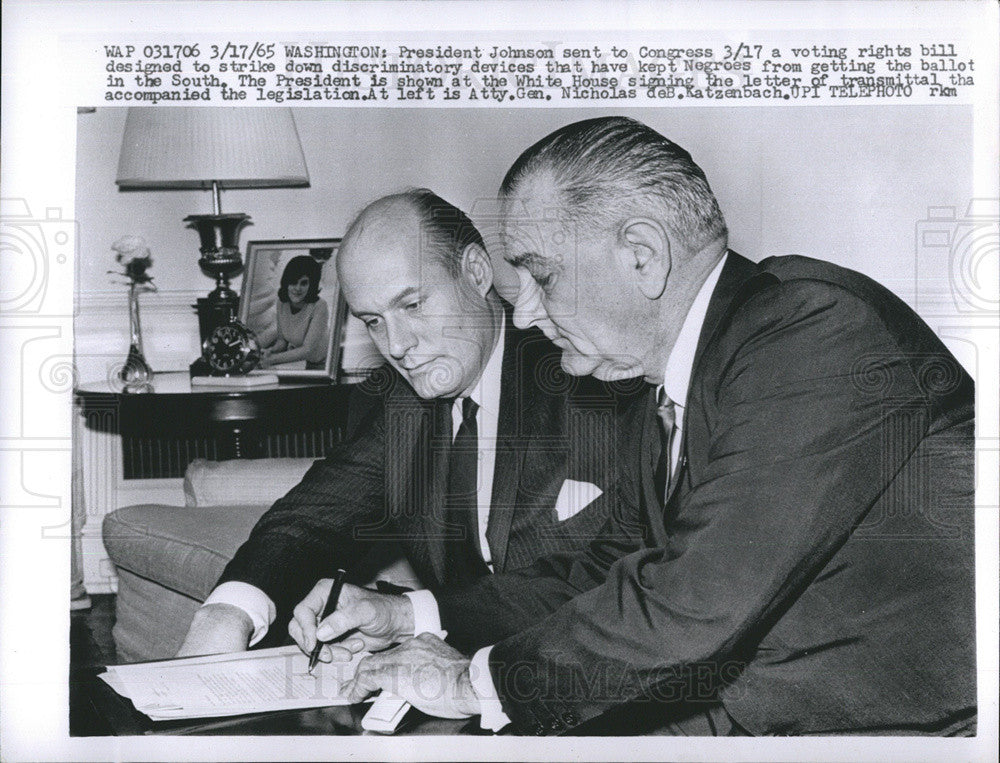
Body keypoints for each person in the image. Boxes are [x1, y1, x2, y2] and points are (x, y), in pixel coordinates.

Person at [292, 117, 977, 736]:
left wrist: (472, 680)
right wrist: (412, 617)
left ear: (643, 255)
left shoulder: (812, 333)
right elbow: (601, 571)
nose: (524, 313)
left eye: (543, 276)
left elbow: (692, 600)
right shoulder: (667, 391)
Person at [177, 188, 644, 657]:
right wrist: (228, 611)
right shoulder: (398, 404)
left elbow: (625, 584)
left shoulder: (591, 379)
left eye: (413, 305)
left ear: (476, 272)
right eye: (374, 321)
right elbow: (309, 519)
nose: (397, 345)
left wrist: (405, 616)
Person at [259, 255, 330, 369]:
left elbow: (308, 350)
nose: (297, 288)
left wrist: (272, 359)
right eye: (293, 282)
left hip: (323, 365)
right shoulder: (282, 303)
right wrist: (269, 351)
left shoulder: (320, 306)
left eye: (303, 283)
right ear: (286, 282)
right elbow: (282, 342)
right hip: (303, 362)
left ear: (311, 285)